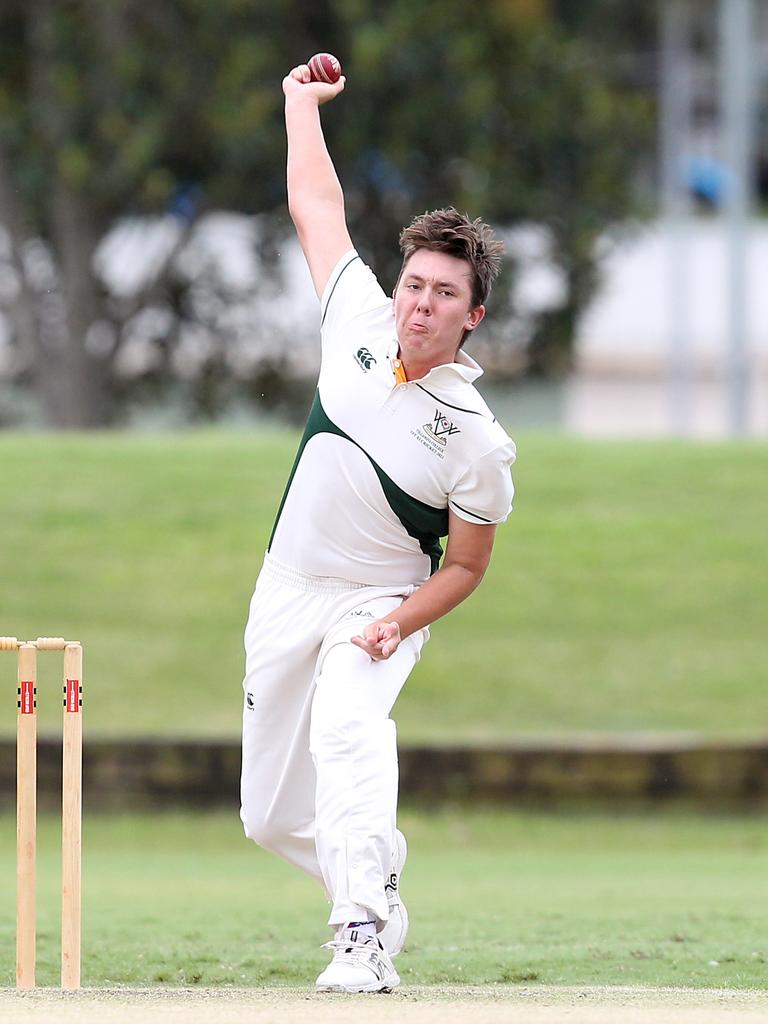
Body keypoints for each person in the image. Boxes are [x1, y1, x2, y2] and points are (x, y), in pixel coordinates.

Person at [239, 61, 516, 994]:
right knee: (267, 818)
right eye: (414, 283)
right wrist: (298, 106)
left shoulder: (477, 441)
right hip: (287, 589)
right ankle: (375, 870)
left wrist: (400, 620)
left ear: (471, 316)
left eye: (444, 294)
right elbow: (317, 207)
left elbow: (469, 564)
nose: (420, 303)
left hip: (379, 598)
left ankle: (359, 935)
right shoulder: (356, 314)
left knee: (350, 729)